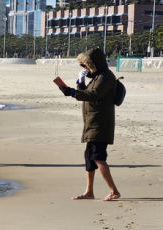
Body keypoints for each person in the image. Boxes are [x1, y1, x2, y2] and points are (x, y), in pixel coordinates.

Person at [58, 48, 120, 201]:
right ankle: (89, 192)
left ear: (95, 63)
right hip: (91, 123)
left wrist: (71, 92)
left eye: (86, 65)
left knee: (98, 157)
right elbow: (85, 94)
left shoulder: (106, 77)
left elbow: (93, 95)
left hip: (100, 124)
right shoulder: (97, 76)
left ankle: (114, 191)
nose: (85, 68)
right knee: (89, 158)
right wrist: (80, 84)